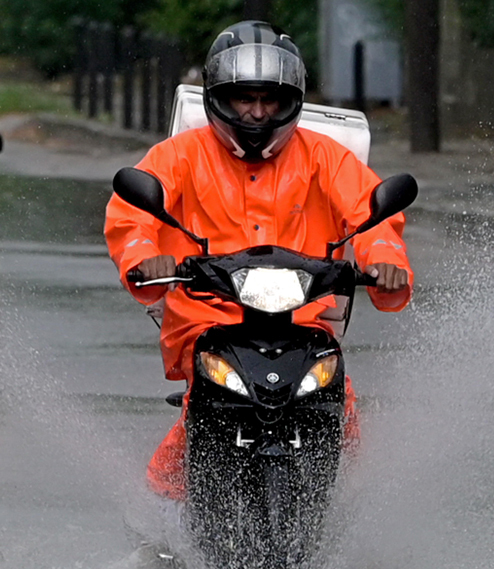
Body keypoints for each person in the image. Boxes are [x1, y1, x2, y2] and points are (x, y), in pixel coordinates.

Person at [104, 21, 413, 501]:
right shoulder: (179, 156)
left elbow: (371, 213)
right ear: (217, 98)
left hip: (303, 319)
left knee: (342, 408)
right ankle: (159, 516)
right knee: (199, 406)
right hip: (208, 317)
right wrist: (145, 258)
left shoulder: (326, 159)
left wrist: (386, 261)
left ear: (293, 101)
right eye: (243, 99)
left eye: (270, 99)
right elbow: (132, 214)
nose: (257, 113)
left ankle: (348, 515)